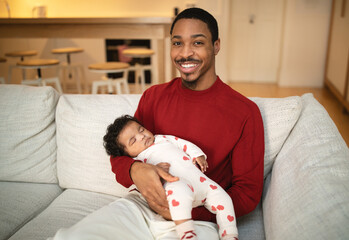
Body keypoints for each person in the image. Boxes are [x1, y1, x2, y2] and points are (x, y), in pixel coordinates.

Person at [51, 7, 264, 240]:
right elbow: (121, 151)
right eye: (177, 43)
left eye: (198, 43)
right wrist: (135, 170)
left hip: (198, 218)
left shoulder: (245, 112)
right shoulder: (154, 97)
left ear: (216, 46)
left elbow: (247, 194)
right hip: (141, 206)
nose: (185, 53)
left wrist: (188, 212)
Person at [103, 115, 239, 240]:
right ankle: (186, 231)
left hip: (201, 183)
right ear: (127, 153)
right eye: (133, 140)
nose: (142, 136)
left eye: (141, 130)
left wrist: (198, 155)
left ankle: (230, 233)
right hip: (178, 186)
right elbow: (148, 182)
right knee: (178, 190)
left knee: (224, 198)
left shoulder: (163, 139)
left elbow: (183, 144)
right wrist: (156, 171)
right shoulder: (139, 159)